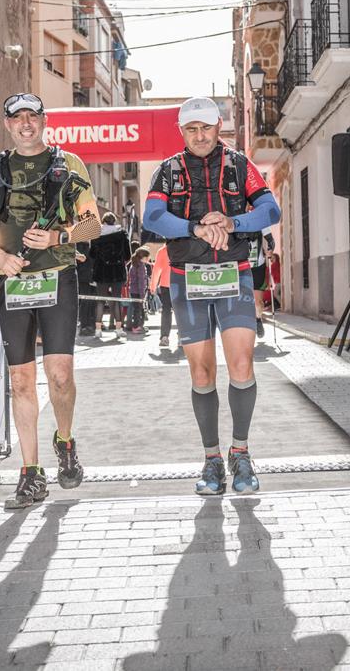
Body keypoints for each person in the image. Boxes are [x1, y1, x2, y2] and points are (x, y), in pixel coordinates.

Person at [0, 93, 101, 510]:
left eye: (33, 117)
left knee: (59, 376)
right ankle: (31, 473)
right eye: (17, 118)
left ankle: (64, 439)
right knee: (21, 381)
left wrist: (60, 237)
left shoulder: (69, 164)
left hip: (58, 279)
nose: (26, 124)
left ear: (44, 121)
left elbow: (92, 225)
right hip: (14, 284)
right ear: (7, 125)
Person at [143, 97, 281, 495]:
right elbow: (153, 218)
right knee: (202, 374)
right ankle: (211, 461)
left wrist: (231, 221)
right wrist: (197, 229)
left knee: (241, 364)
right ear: (181, 131)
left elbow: (270, 211)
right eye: (191, 129)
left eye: (206, 127)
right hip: (188, 281)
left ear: (218, 126)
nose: (200, 135)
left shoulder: (240, 165)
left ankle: (241, 453)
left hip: (235, 276)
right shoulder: (168, 171)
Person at [89, 212, 131, 335]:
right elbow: (128, 255)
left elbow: (92, 255)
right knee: (116, 299)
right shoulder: (122, 234)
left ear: (103, 221)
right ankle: (118, 329)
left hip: (101, 272)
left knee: (101, 300)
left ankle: (98, 330)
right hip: (117, 272)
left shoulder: (96, 234)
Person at [250, 232, 276, 338]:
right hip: (239, 265)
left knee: (258, 302)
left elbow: (271, 241)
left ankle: (258, 319)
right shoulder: (234, 216)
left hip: (257, 266)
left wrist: (270, 250)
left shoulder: (259, 218)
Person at [150, 247, 174, 350]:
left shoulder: (162, 251)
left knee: (166, 311)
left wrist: (153, 286)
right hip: (181, 284)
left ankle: (164, 337)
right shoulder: (184, 247)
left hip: (165, 284)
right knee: (181, 310)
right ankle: (182, 336)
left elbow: (156, 270)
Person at [126, 247, 151, 333]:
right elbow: (141, 282)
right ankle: (136, 327)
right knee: (138, 310)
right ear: (142, 257)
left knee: (137, 309)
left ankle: (139, 326)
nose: (149, 259)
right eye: (147, 257)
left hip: (133, 290)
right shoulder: (141, 267)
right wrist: (142, 295)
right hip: (138, 291)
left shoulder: (134, 264)